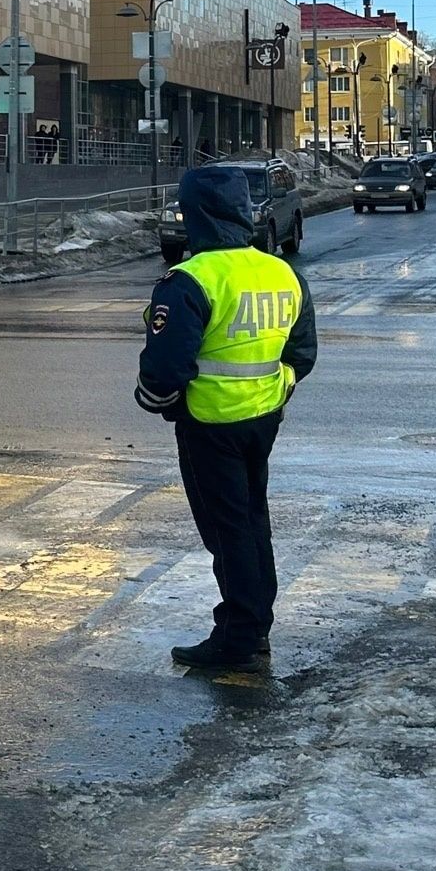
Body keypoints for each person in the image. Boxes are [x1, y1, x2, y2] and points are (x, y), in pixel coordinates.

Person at [135, 165, 320, 674]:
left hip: (208, 423)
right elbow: (301, 354)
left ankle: (240, 635)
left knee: (228, 530)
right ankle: (254, 624)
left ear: (193, 214)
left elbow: (165, 369)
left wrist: (157, 401)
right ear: (242, 212)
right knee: (252, 521)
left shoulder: (190, 280)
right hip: (262, 417)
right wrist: (277, 389)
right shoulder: (281, 271)